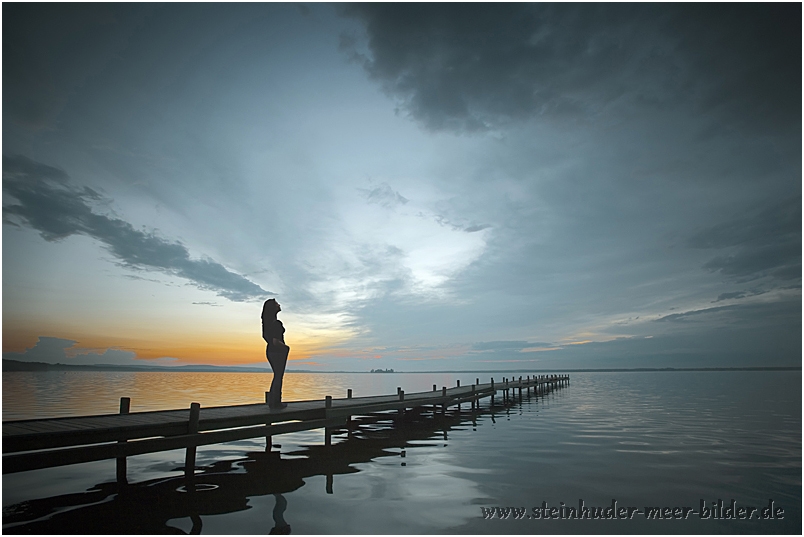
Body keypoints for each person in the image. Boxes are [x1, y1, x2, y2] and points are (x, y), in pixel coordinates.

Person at [262, 298, 289, 409]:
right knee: (278, 376)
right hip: (278, 352)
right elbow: (275, 341)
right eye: (276, 304)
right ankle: (276, 403)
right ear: (273, 308)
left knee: (277, 376)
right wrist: (286, 347)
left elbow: (265, 337)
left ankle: (274, 402)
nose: (279, 304)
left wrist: (272, 345)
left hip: (270, 351)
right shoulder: (276, 323)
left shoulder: (268, 323)